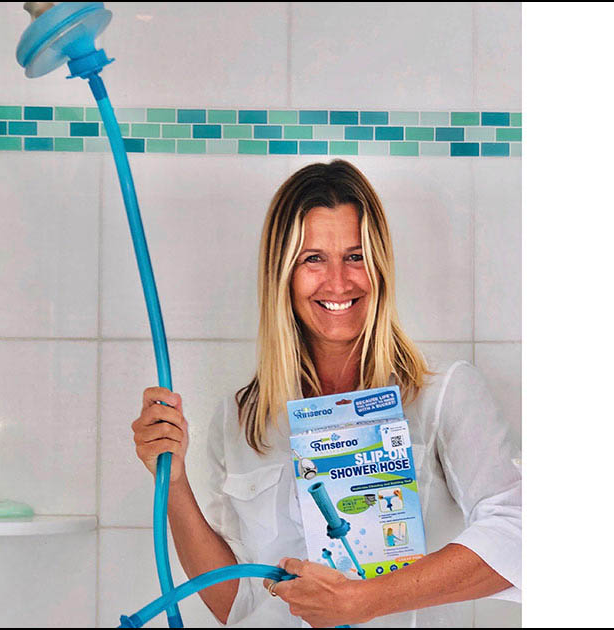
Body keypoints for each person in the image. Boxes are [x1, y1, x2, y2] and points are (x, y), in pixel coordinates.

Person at [130, 160, 521, 627]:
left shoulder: (444, 395)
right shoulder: (241, 419)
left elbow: (518, 535)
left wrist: (364, 600)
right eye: (313, 258)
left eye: (355, 256)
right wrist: (173, 482)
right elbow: (235, 602)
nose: (338, 282)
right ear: (283, 274)